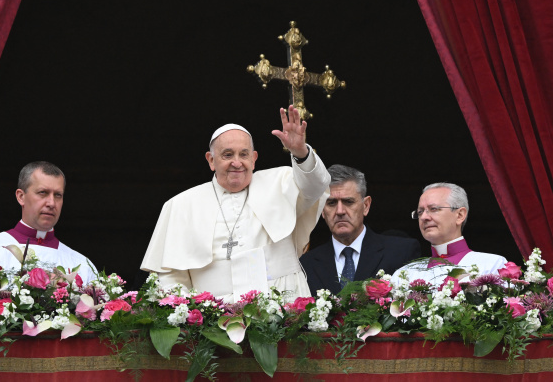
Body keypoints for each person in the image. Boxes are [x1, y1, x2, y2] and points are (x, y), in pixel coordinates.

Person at [140, 105, 330, 303]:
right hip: (213, 318)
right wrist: (189, 316)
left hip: (284, 304)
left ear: (254, 159)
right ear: (211, 160)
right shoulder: (180, 205)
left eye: (244, 154)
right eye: (228, 155)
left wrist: (301, 153)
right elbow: (172, 276)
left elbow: (317, 185)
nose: (237, 163)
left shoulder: (282, 181)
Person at [0, 161, 97, 283]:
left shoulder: (82, 265)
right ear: (21, 197)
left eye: (58, 195)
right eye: (43, 192)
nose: (51, 203)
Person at [300, 164, 421, 294]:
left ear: (366, 206)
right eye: (331, 203)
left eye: (348, 202)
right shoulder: (306, 264)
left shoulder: (402, 252)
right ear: (322, 210)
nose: (340, 211)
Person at [391, 182, 507, 285]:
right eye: (420, 212)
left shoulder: (492, 265)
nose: (424, 217)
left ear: (460, 215)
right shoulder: (404, 275)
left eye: (434, 209)